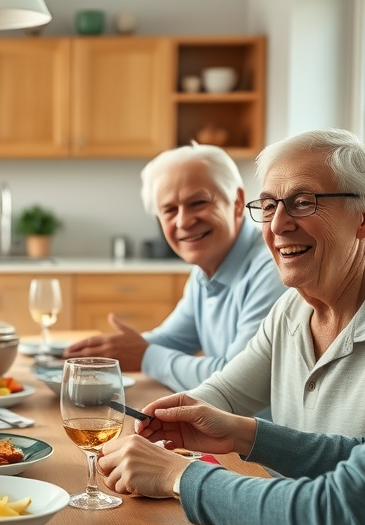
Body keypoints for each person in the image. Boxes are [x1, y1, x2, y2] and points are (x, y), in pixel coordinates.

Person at [98, 78, 365, 525]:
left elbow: (342, 518)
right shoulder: (299, 309)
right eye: (271, 205)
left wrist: (179, 477)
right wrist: (247, 434)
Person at [175, 129, 365, 436]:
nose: (278, 224)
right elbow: (224, 395)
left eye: (303, 202)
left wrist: (240, 443)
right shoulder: (290, 310)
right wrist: (156, 423)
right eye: (269, 206)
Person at [64, 144, 288, 392]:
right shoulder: (206, 267)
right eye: (169, 210)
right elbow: (171, 340)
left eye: (198, 203)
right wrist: (94, 357)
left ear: (237, 202)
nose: (183, 221)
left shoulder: (273, 267)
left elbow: (238, 380)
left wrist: (144, 355)